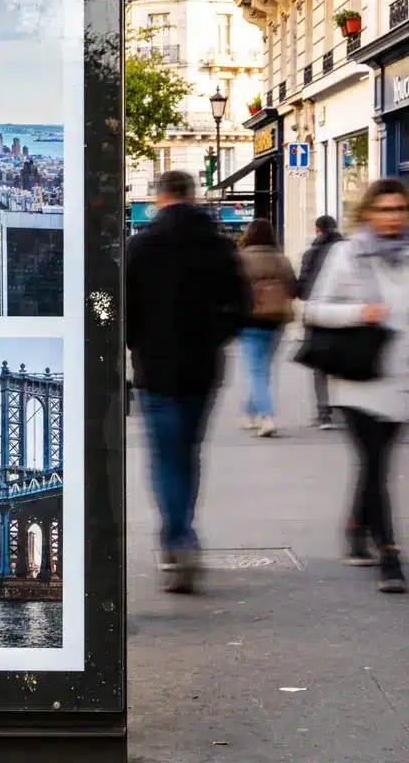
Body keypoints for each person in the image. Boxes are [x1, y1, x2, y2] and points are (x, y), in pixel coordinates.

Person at [126, 170, 248, 593]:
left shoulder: (138, 247)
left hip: (155, 370)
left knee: (164, 457)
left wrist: (136, 342)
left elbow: (121, 310)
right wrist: (214, 337)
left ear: (158, 199)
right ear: (191, 197)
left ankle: (175, 539)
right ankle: (184, 533)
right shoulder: (219, 247)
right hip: (202, 369)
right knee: (189, 454)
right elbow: (242, 307)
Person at [303, 179, 409, 594]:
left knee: (376, 465)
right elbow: (314, 310)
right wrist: (359, 312)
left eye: (399, 209)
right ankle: (390, 556)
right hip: (359, 380)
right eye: (384, 209)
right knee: (378, 464)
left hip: (400, 379)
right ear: (367, 213)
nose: (393, 217)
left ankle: (355, 526)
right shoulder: (348, 255)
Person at [237, 219, 296, 437]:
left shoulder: (241, 259)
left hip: (250, 321)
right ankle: (249, 411)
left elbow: (233, 290)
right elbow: (293, 288)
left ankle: (266, 416)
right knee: (263, 370)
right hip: (276, 321)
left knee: (254, 370)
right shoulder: (282, 260)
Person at [297, 215, 343, 429]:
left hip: (319, 314)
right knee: (344, 361)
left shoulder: (311, 253)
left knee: (321, 365)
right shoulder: (349, 252)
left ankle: (324, 413)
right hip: (345, 313)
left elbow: (303, 288)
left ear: (317, 231)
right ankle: (344, 408)